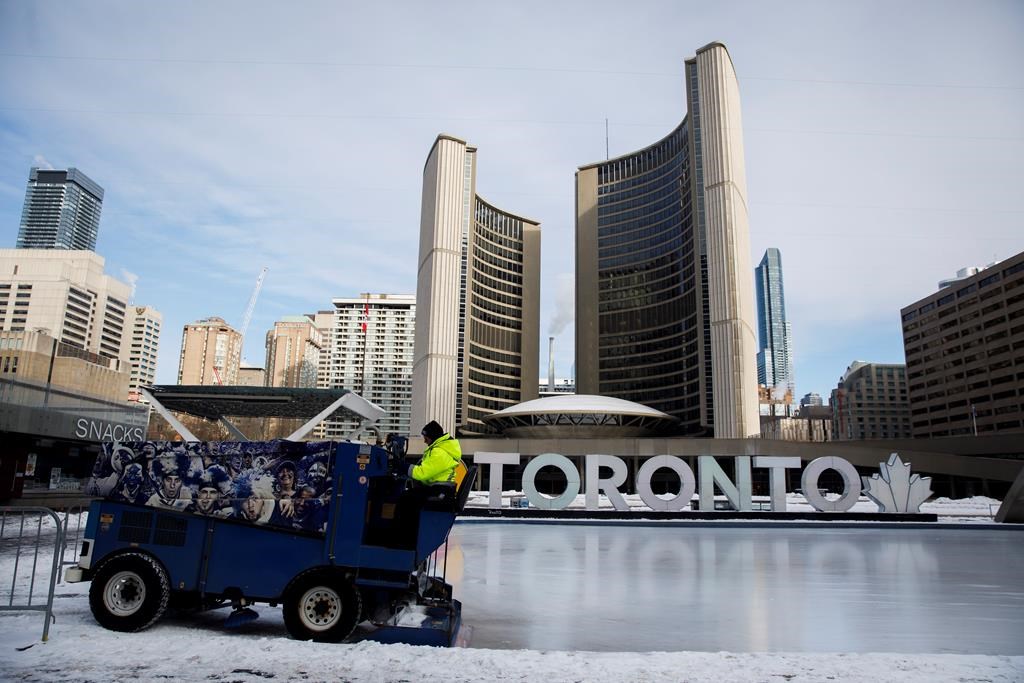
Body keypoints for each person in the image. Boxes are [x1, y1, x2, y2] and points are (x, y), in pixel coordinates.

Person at [408, 421, 462, 485]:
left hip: (438, 489)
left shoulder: (439, 453)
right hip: (438, 487)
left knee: (405, 494)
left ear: (433, 437)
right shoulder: (442, 449)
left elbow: (422, 473)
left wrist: (404, 466)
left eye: (426, 439)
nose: (424, 441)